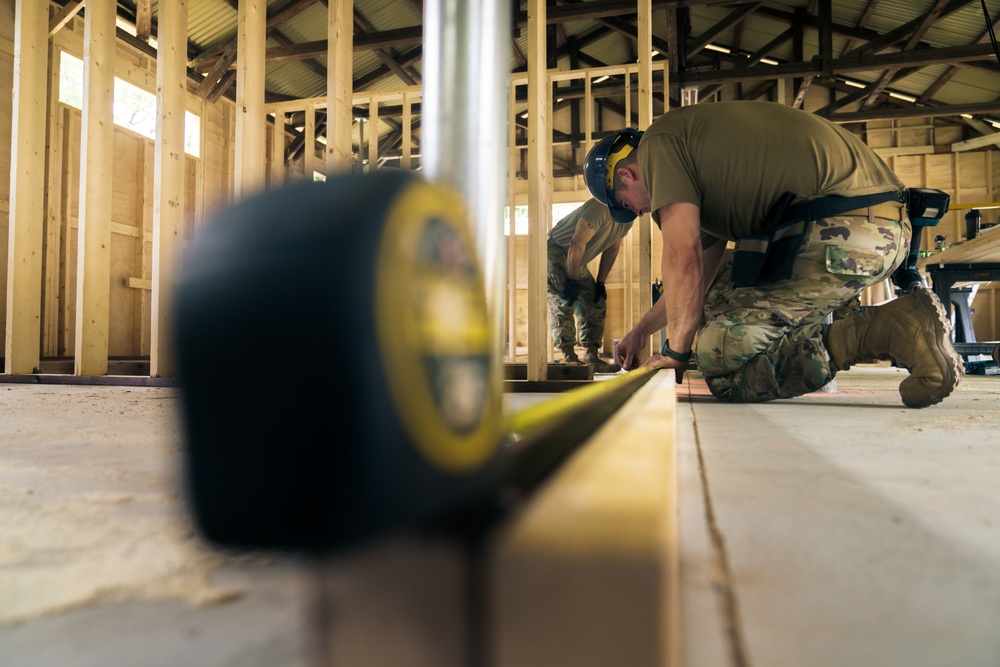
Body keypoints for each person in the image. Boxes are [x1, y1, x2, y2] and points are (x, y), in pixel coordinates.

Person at [582, 100, 962, 408]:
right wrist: (639, 332)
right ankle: (823, 325)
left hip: (847, 231)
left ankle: (883, 330)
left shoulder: (657, 148)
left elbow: (682, 257)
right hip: (875, 228)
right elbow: (697, 277)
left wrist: (676, 356)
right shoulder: (692, 152)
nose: (635, 212)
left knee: (718, 355)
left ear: (626, 176)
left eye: (623, 203)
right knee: (714, 296)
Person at [547, 198, 632, 373]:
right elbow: (576, 242)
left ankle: (591, 356)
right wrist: (572, 280)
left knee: (595, 301)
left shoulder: (627, 219)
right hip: (554, 249)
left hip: (575, 257)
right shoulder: (601, 207)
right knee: (564, 300)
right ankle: (569, 356)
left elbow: (612, 249)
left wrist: (601, 282)